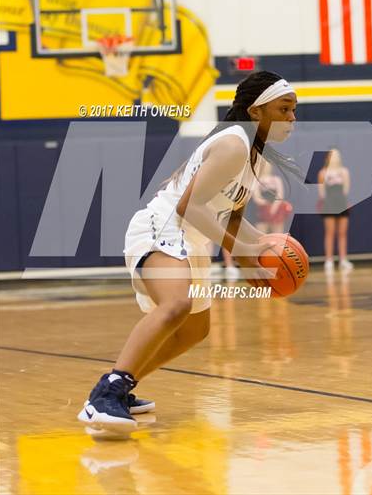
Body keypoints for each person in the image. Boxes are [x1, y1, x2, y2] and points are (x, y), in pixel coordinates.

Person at [78, 71, 300, 434]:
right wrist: (242, 248)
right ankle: (106, 394)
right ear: (256, 112)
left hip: (193, 238)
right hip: (163, 226)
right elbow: (189, 205)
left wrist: (259, 248)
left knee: (195, 329)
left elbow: (230, 216)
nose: (292, 118)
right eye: (284, 108)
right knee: (176, 306)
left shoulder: (257, 157)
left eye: (295, 110)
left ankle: (122, 386)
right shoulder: (233, 144)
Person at [318, 148, 353, 273]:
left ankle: (343, 260)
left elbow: (346, 190)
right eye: (331, 155)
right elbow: (321, 193)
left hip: (342, 203)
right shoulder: (323, 172)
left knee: (342, 233)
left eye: (335, 155)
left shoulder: (344, 171)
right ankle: (329, 260)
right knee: (330, 233)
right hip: (329, 204)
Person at [252, 160, 292, 234]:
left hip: (277, 209)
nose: (265, 167)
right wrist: (266, 204)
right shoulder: (257, 180)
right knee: (260, 234)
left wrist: (274, 207)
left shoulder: (276, 179)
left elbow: (280, 195)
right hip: (263, 210)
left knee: (277, 234)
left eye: (267, 165)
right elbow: (256, 196)